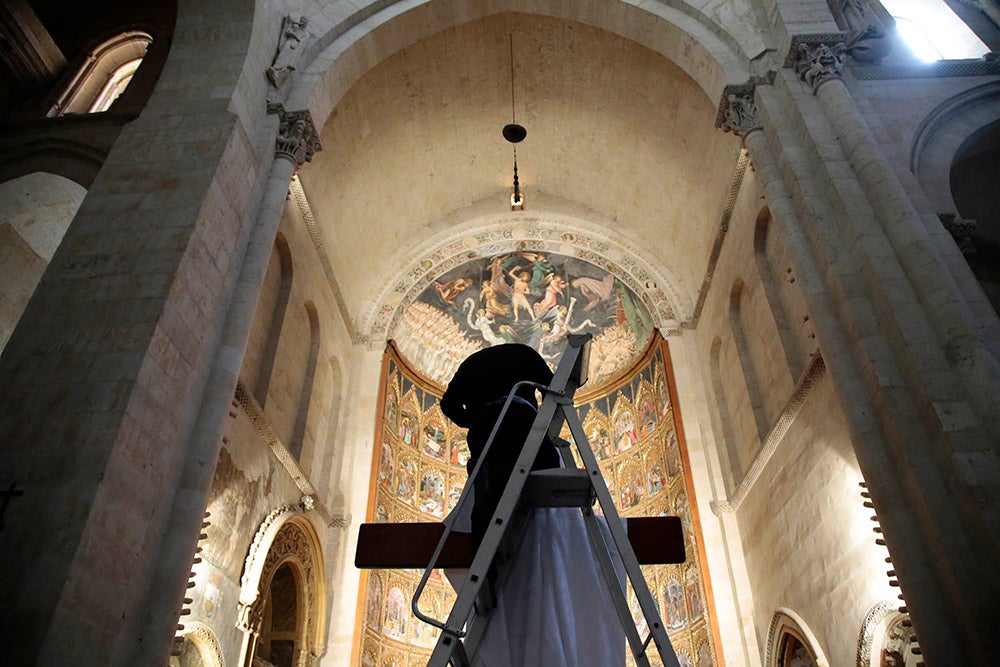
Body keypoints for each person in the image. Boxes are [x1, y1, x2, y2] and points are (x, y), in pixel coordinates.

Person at [439, 343, 560, 551]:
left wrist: (473, 419)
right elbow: (554, 389)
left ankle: (483, 561)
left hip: (485, 429)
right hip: (521, 421)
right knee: (547, 469)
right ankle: (547, 541)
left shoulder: (471, 362)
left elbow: (448, 404)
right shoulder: (524, 352)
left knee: (486, 494)